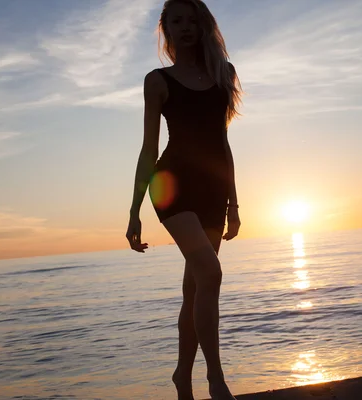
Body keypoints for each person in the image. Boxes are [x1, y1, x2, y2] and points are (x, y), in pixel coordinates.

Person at [126, 1, 243, 398]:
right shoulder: (157, 80)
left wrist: (234, 204)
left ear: (203, 25)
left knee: (196, 289)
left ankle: (181, 377)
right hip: (170, 185)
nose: (186, 27)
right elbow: (148, 150)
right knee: (210, 274)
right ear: (166, 29)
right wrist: (134, 212)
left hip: (211, 188)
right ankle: (216, 379)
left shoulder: (223, 74)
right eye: (177, 20)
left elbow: (223, 145)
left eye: (193, 19)